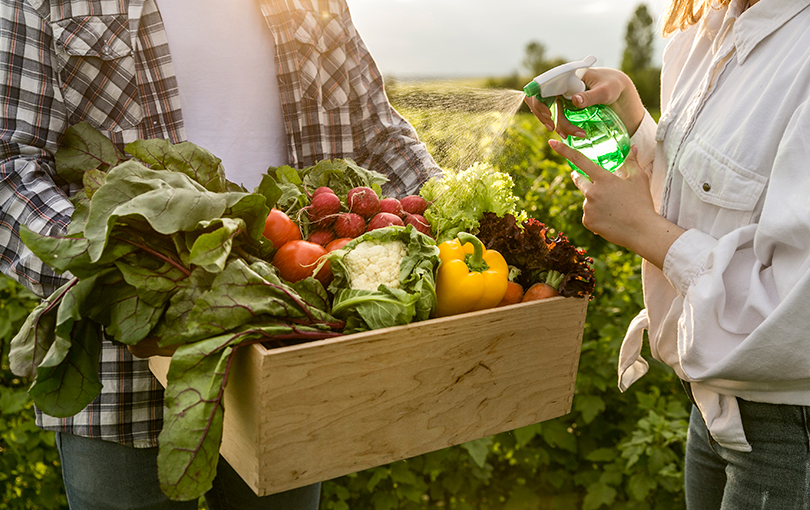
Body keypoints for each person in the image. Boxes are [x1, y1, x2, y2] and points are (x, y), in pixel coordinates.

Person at [0, 0, 441, 508]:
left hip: (288, 341)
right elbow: (12, 166)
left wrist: (465, 219)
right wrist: (120, 267)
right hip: (125, 357)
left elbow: (379, 136)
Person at [525, 0, 810, 508]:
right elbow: (720, 200)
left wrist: (643, 230)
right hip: (713, 407)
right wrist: (633, 121)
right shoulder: (709, 32)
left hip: (787, 429)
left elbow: (797, 314)